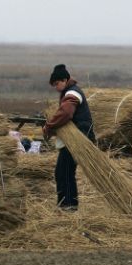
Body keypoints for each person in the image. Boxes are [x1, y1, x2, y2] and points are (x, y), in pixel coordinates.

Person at [42, 64, 95, 211]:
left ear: (65, 80)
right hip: (75, 139)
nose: (56, 87)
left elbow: (66, 113)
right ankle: (67, 204)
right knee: (63, 171)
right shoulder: (69, 91)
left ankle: (68, 205)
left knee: (64, 172)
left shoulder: (73, 93)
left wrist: (49, 125)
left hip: (79, 139)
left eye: (57, 83)